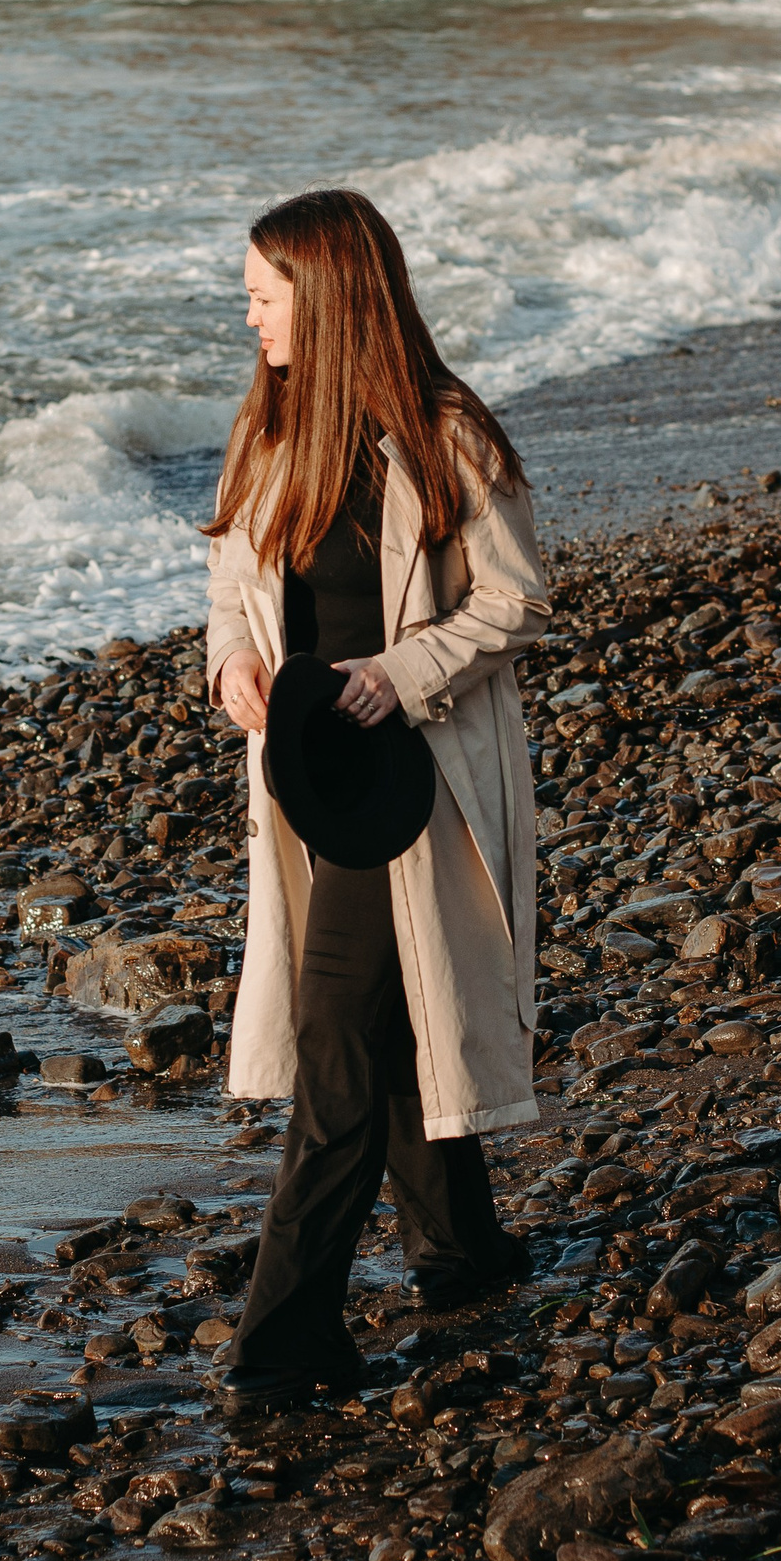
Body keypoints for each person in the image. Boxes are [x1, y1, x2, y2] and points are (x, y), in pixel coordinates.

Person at [204, 187, 549, 1422]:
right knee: (396, 1011)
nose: (249, 316)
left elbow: (514, 600)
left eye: (264, 294)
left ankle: (282, 1340)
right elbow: (230, 581)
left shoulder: (444, 431)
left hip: (417, 777)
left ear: (332, 295)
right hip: (307, 777)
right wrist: (230, 666)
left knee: (339, 1043)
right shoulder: (269, 425)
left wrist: (397, 675)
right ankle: (464, 1249)